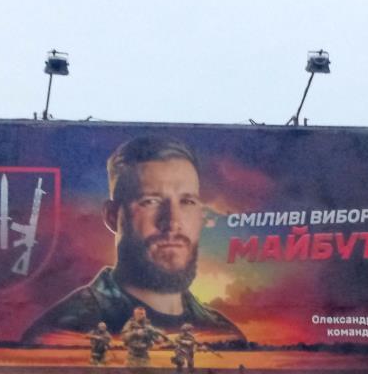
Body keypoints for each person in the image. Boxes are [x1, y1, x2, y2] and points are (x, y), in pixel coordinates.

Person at [22, 135, 244, 343]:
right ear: (112, 216)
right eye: (150, 201)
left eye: (187, 202)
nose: (172, 222)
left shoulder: (225, 335)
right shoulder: (60, 334)